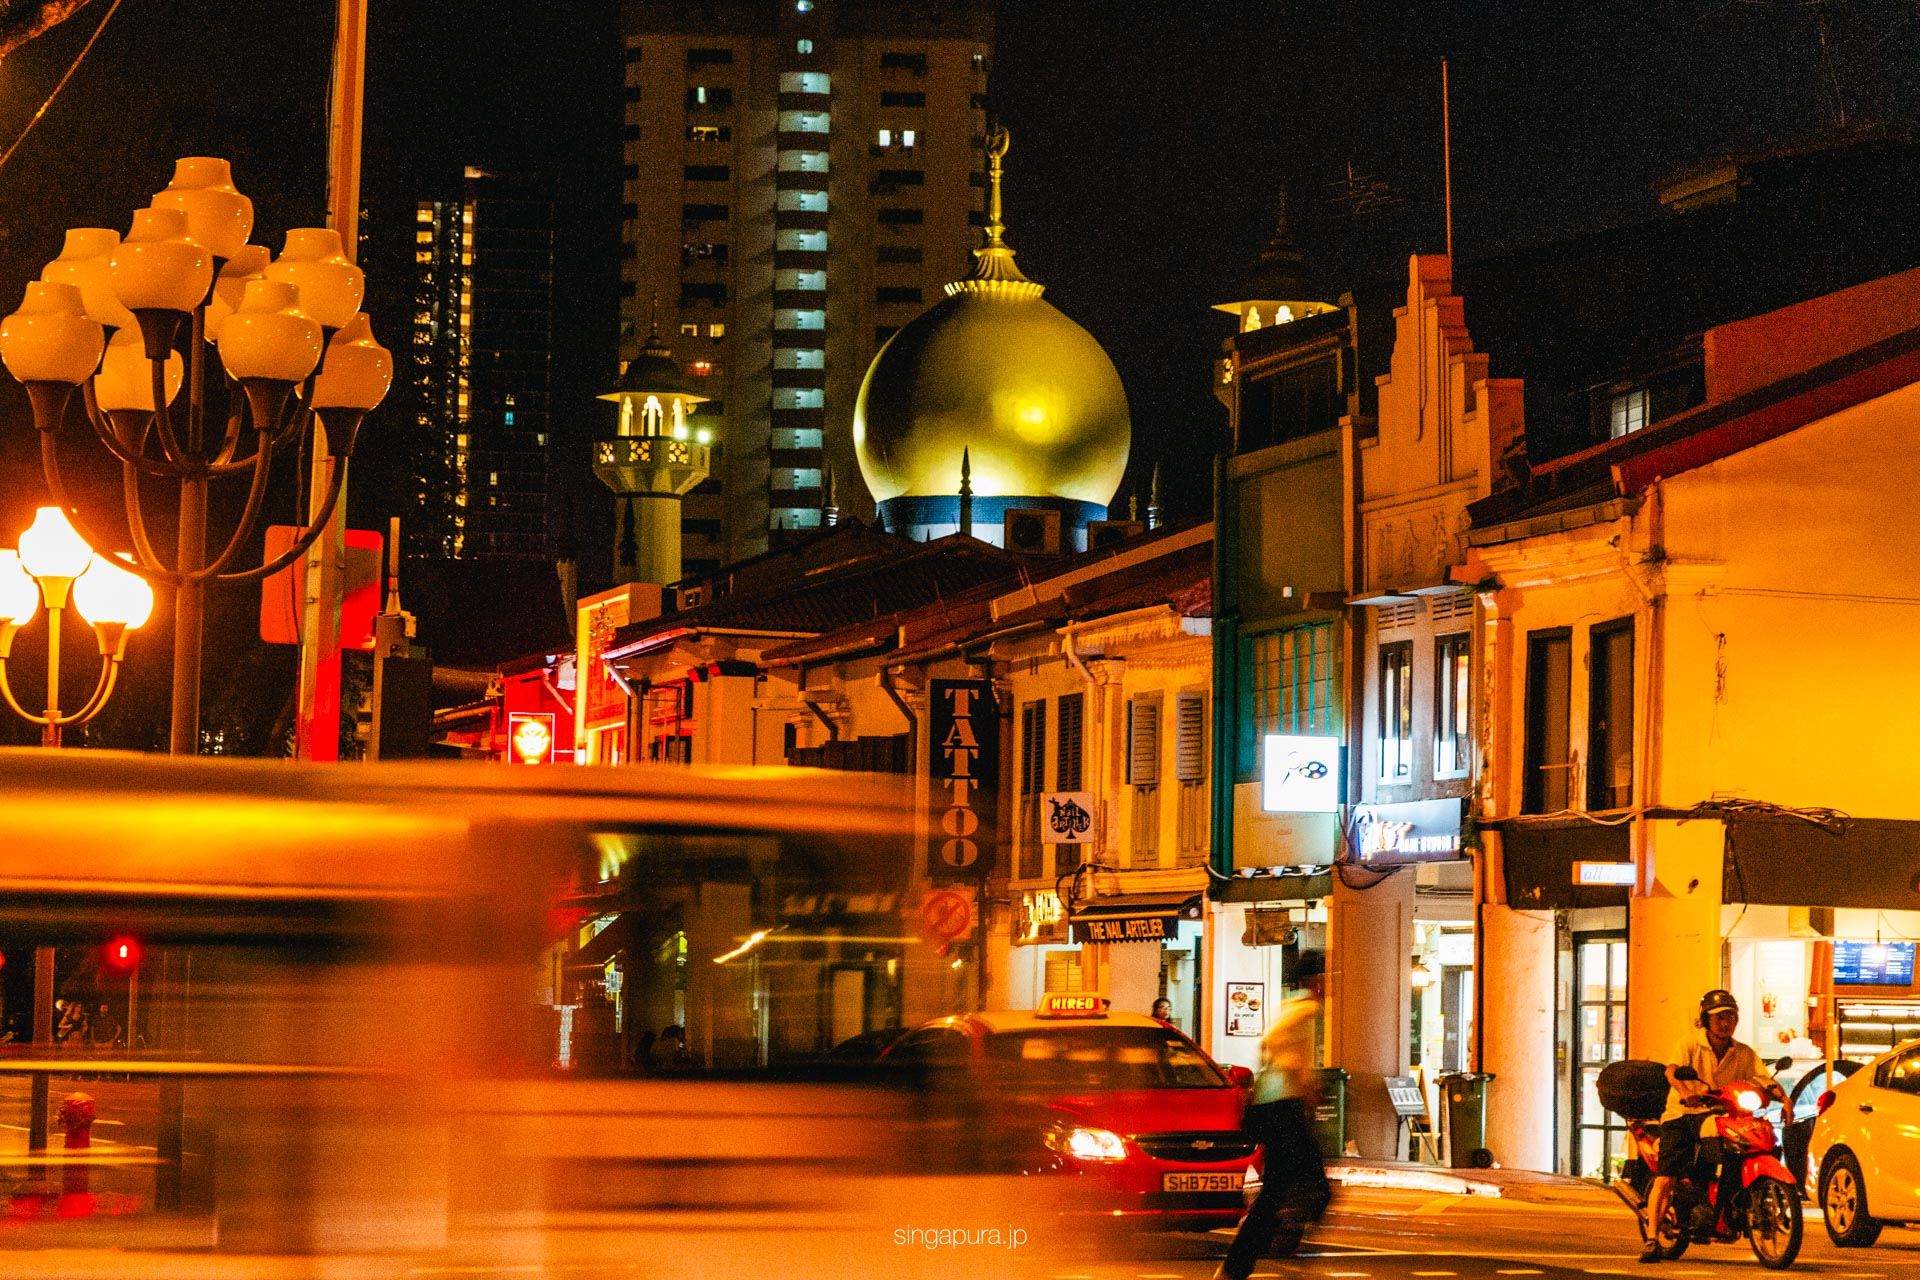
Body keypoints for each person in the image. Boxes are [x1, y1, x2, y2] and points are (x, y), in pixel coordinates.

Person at [1640, 989, 1791, 1264]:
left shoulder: (1743, 1052)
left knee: (1745, 1145)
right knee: (1667, 1175)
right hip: (1683, 1113)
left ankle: (1726, 1205)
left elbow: (1763, 1078)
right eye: (1719, 1017)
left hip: (1722, 1115)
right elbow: (1671, 1071)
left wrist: (1784, 1098)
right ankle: (1651, 1238)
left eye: (1731, 1017)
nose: (1726, 1023)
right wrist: (1685, 1091)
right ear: (1706, 1020)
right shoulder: (1689, 1043)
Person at [1217, 951, 1332, 1280]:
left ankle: (1248, 1255)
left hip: (1279, 1105)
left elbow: (1271, 1045)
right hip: (1283, 1107)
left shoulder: (1293, 1005)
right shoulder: (1306, 1008)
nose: (1327, 982)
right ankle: (1279, 1236)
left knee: (1283, 1189)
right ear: (1316, 979)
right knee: (1311, 1186)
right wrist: (1304, 1082)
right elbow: (1275, 1042)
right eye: (1324, 976)